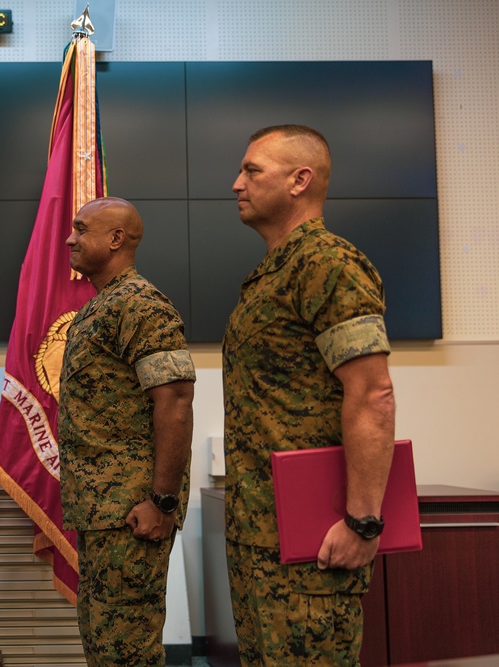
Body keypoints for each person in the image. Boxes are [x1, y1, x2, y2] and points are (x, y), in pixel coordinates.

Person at [224, 125, 397, 665]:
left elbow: (373, 395)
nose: (236, 183)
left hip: (313, 543)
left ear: (300, 180)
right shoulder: (273, 273)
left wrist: (363, 522)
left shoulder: (329, 265)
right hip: (260, 535)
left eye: (252, 171)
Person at [58, 196, 196, 666]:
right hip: (104, 512)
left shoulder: (140, 304)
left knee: (128, 652)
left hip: (133, 514)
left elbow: (174, 401)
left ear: (116, 239)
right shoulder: (101, 306)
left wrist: (161, 502)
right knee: (104, 646)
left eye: (81, 229)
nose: (69, 238)